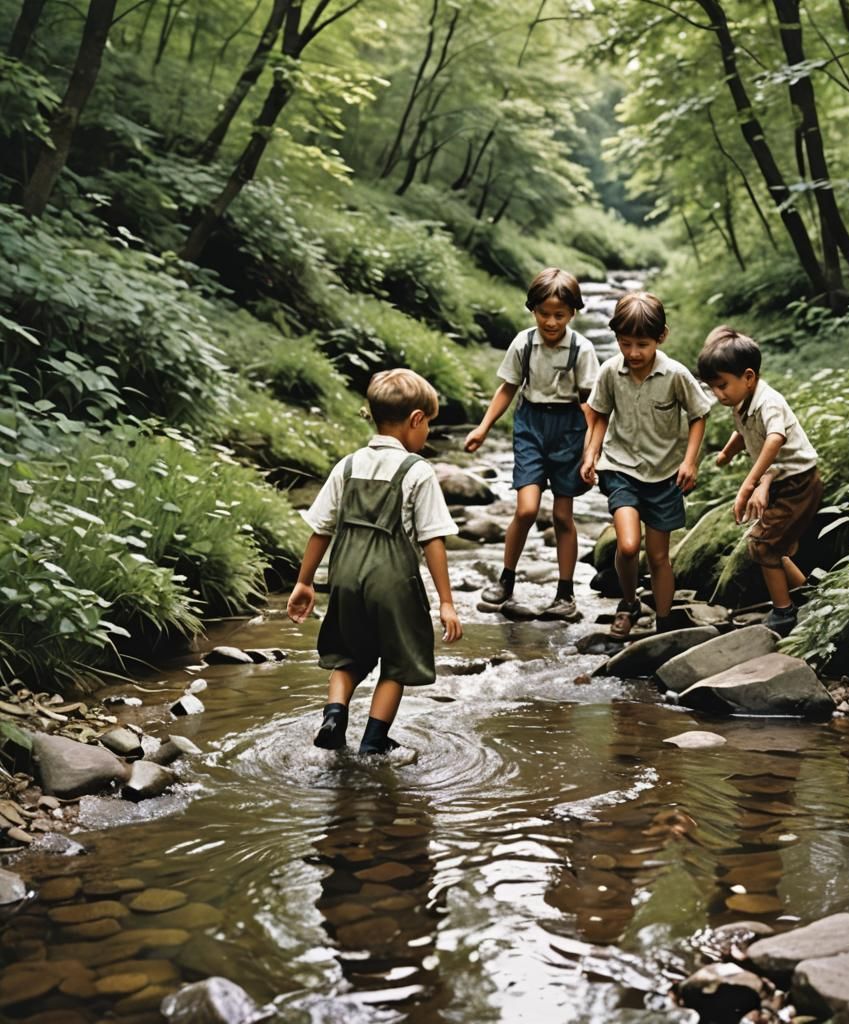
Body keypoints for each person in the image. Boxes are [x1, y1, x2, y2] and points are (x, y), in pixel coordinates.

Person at [287, 368, 463, 754]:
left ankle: (334, 714)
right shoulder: (417, 470)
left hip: (345, 574)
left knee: (349, 655)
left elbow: (321, 528)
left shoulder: (347, 466)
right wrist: (446, 602)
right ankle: (373, 741)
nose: (428, 433)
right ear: (416, 419)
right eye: (428, 425)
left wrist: (303, 583)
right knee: (397, 663)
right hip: (392, 578)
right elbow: (433, 538)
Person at [464, 267, 600, 619]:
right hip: (531, 425)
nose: (551, 322)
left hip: (570, 426)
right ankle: (505, 580)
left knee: (561, 514)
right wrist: (483, 427)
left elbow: (590, 403)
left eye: (559, 315)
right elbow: (508, 387)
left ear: (572, 313)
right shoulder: (524, 343)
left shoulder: (582, 350)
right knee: (525, 509)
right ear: (532, 309)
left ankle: (565, 594)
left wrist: (590, 450)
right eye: (544, 313)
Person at [581, 292, 711, 638]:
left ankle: (664, 622)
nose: (634, 353)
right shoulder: (611, 371)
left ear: (661, 337)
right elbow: (599, 414)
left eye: (642, 344)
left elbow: (699, 415)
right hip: (620, 468)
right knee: (626, 545)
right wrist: (591, 453)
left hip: (665, 474)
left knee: (658, 556)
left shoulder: (675, 374)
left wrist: (690, 462)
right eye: (625, 344)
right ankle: (628, 603)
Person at [696, 326, 822, 637]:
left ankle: (783, 611)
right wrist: (726, 452)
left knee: (762, 544)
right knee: (774, 545)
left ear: (749, 377)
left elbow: (775, 438)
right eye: (712, 387)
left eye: (722, 385)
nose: (718, 394)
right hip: (781, 479)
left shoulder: (769, 402)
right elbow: (742, 431)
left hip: (798, 482)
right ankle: (807, 594)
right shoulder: (741, 401)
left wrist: (749, 484)